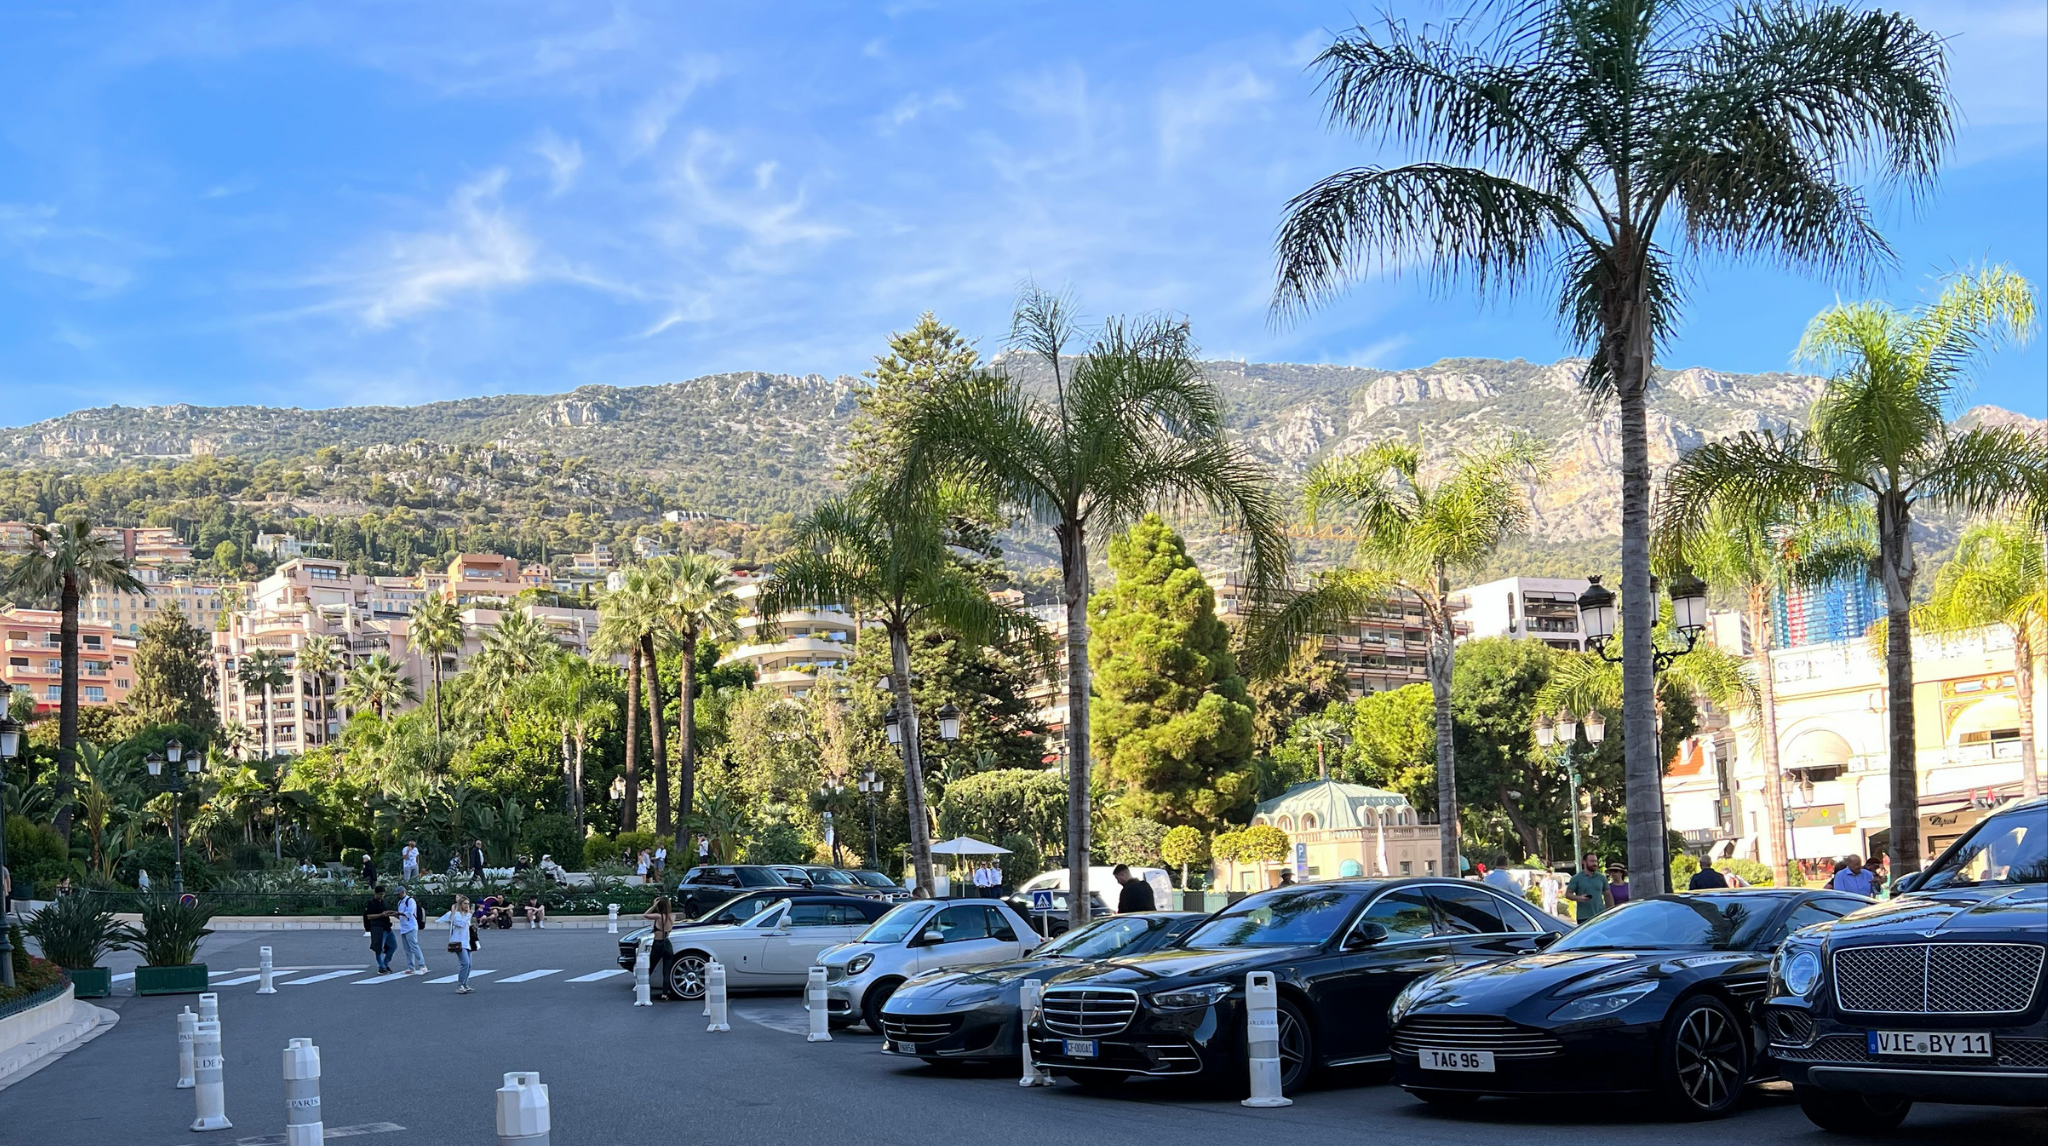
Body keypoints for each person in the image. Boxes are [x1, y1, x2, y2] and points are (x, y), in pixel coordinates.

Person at [436, 896, 476, 994]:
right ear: (460, 904)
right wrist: (469, 916)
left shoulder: (466, 914)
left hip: (467, 942)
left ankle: (465, 984)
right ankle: (460, 985)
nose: (467, 906)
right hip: (459, 942)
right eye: (465, 903)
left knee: (469, 965)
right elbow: (460, 924)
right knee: (465, 963)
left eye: (468, 904)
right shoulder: (456, 914)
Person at [642, 896, 675, 999]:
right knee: (666, 970)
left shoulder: (658, 916)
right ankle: (665, 994)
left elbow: (645, 915)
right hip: (668, 944)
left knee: (650, 966)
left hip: (658, 943)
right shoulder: (672, 916)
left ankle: (641, 987)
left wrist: (653, 906)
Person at [1564, 852, 1609, 924]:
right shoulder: (1576, 878)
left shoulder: (1601, 878)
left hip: (1600, 914)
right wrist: (1579, 898)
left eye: (1595, 861)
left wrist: (1611, 911)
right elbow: (1568, 894)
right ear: (1584, 862)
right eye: (1591, 861)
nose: (1594, 863)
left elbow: (1607, 894)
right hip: (1584, 916)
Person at [363, 885, 398, 974]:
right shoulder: (371, 903)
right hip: (378, 928)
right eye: (380, 894)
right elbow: (369, 916)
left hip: (387, 927)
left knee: (393, 946)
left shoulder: (382, 902)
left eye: (383, 894)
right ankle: (381, 967)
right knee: (379, 948)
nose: (381, 896)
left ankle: (385, 963)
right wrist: (381, 915)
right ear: (375, 893)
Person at [394, 886, 428, 975]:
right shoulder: (400, 902)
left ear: (402, 892)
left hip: (411, 927)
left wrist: (399, 913)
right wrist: (395, 914)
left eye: (398, 894)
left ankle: (422, 965)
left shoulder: (410, 901)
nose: (397, 896)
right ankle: (411, 966)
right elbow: (401, 916)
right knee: (407, 948)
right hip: (404, 927)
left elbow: (409, 913)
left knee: (414, 946)